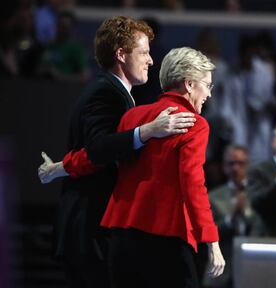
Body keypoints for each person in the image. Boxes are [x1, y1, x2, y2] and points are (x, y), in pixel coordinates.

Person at [38, 16, 196, 288]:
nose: (150, 60)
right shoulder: (105, 92)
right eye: (144, 53)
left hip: (95, 231)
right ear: (121, 54)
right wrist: (149, 130)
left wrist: (59, 169)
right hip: (90, 230)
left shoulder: (116, 93)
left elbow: (94, 152)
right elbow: (99, 149)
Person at [100, 47, 225, 288]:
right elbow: (193, 184)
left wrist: (65, 166)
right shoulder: (195, 124)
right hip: (166, 237)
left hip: (120, 234)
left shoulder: (133, 116)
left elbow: (105, 155)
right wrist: (211, 240)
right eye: (207, 85)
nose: (209, 94)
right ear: (189, 84)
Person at [208, 145, 262, 287]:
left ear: (248, 165)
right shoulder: (212, 197)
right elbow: (207, 233)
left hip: (255, 266)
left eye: (241, 163)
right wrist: (229, 219)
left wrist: (246, 214)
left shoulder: (259, 194)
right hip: (222, 270)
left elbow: (263, 226)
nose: (235, 168)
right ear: (224, 167)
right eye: (231, 163)